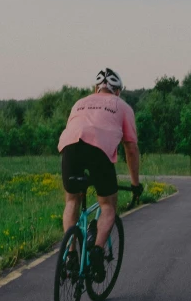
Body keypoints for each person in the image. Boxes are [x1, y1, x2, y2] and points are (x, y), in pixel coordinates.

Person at [57, 68, 141, 281]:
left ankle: (71, 254)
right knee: (108, 206)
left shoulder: (79, 103)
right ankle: (97, 251)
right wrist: (134, 183)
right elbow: (130, 149)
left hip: (70, 147)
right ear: (118, 91)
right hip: (98, 151)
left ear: (95, 88)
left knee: (72, 200)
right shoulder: (122, 106)